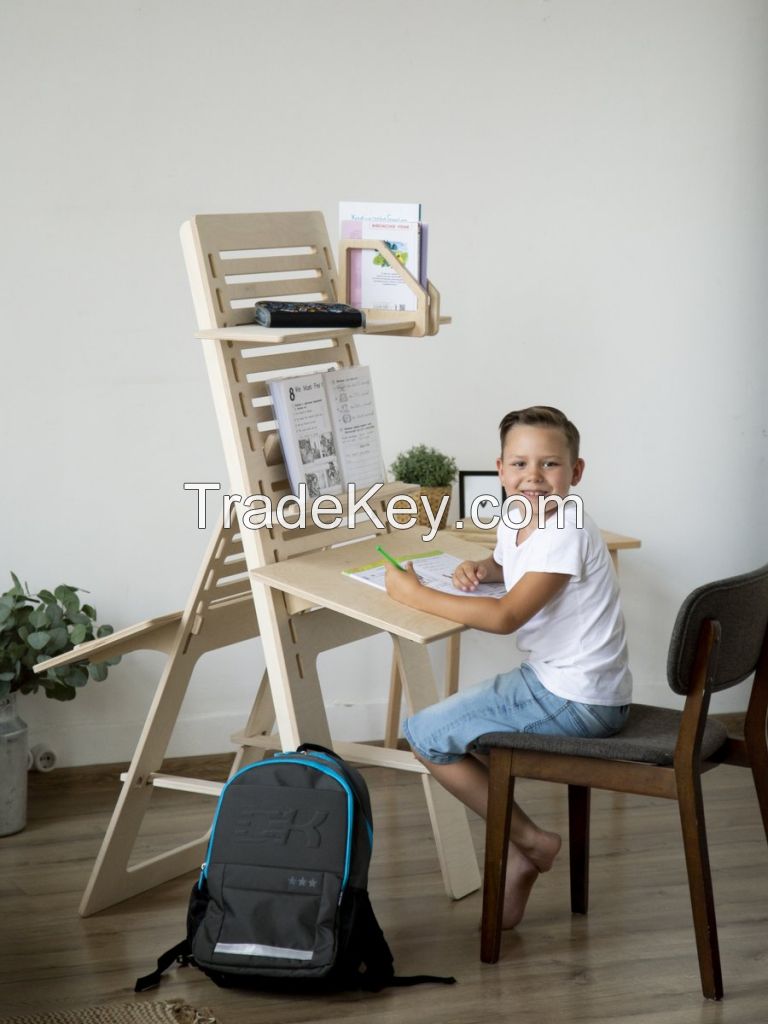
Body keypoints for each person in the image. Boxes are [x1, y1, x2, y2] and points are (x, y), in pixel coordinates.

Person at [384, 405, 631, 928]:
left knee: (426, 733)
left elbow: (504, 616)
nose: (533, 478)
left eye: (549, 465)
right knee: (447, 727)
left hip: (574, 697)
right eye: (519, 465)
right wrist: (481, 566)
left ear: (576, 472)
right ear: (500, 470)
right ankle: (525, 844)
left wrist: (415, 593)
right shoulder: (519, 515)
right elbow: (507, 567)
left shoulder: (566, 528)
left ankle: (530, 842)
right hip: (561, 682)